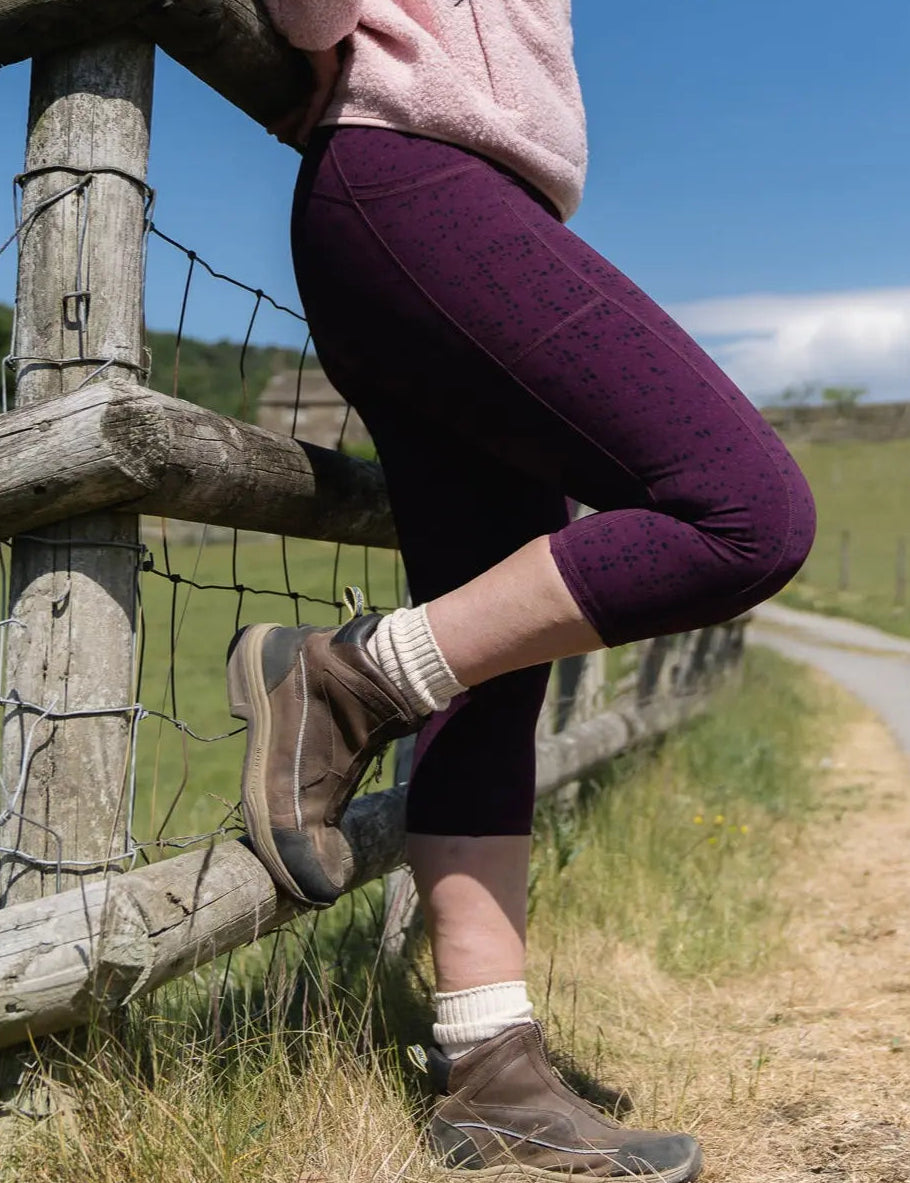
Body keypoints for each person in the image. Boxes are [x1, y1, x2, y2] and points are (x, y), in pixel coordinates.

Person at [227, 4, 816, 1179]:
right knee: (749, 511)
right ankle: (352, 676)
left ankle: (487, 1065)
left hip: (457, 202)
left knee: (492, 662)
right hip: (418, 183)